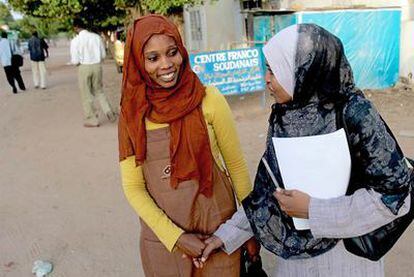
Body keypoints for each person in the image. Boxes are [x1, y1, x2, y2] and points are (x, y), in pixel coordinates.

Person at [196, 24, 413, 276]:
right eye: (267, 69)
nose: (266, 79)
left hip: (349, 262)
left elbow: (394, 198)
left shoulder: (356, 115)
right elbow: (268, 195)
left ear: (303, 69)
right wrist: (225, 237)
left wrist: (312, 210)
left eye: (274, 70)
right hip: (296, 263)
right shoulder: (286, 119)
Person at [118, 15, 255, 276]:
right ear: (138, 62)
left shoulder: (209, 99)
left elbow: (236, 167)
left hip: (218, 235)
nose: (167, 65)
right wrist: (178, 238)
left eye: (172, 53)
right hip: (165, 242)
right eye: (153, 58)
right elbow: (133, 188)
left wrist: (248, 228)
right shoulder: (131, 116)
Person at [70, 19, 116, 127]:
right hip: (97, 66)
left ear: (76, 28)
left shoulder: (75, 41)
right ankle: (109, 111)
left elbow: (75, 60)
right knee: (99, 91)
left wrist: (77, 62)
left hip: (84, 67)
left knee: (86, 94)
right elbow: (103, 55)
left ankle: (92, 119)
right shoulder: (96, 37)